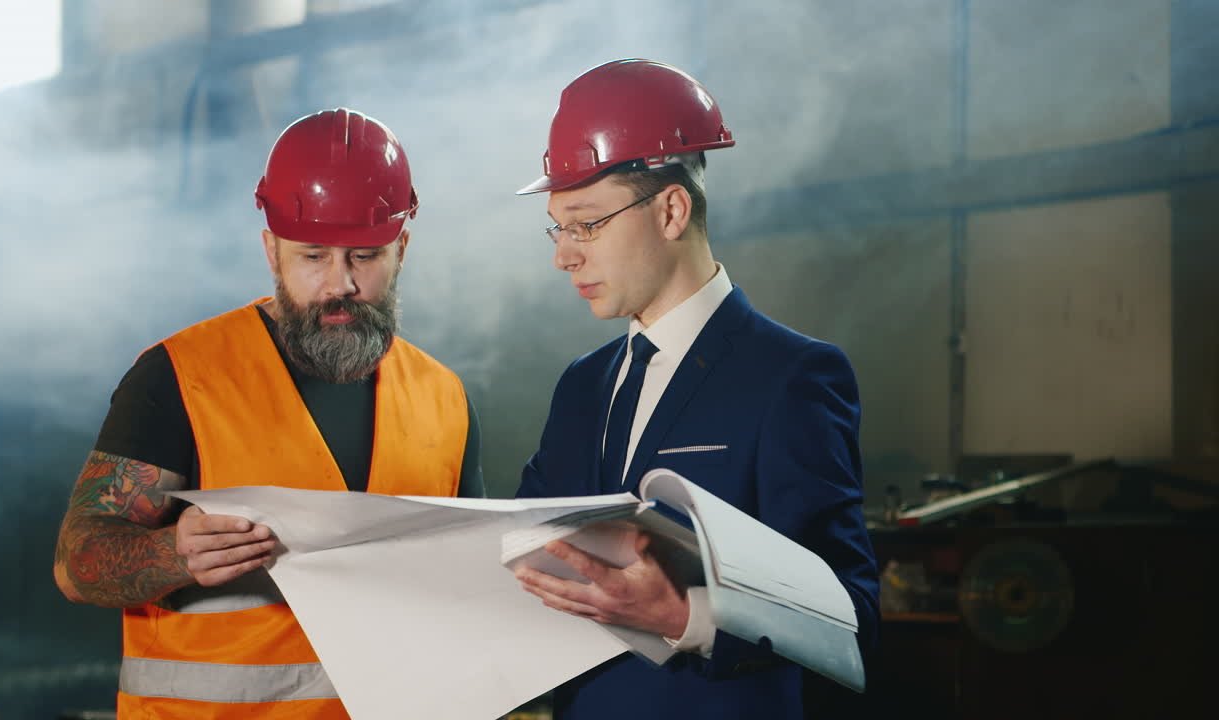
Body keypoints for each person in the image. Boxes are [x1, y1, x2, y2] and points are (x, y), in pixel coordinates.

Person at [53, 108, 483, 719]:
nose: (341, 284)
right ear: (271, 251)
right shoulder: (180, 378)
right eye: (313, 256)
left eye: (365, 255)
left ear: (401, 249)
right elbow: (76, 565)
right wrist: (172, 555)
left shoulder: (445, 399)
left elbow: (466, 592)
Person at [513, 59, 878, 719]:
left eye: (586, 223)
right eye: (557, 227)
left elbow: (851, 617)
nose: (563, 255)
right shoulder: (580, 388)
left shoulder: (790, 379)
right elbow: (524, 557)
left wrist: (687, 616)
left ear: (672, 210)